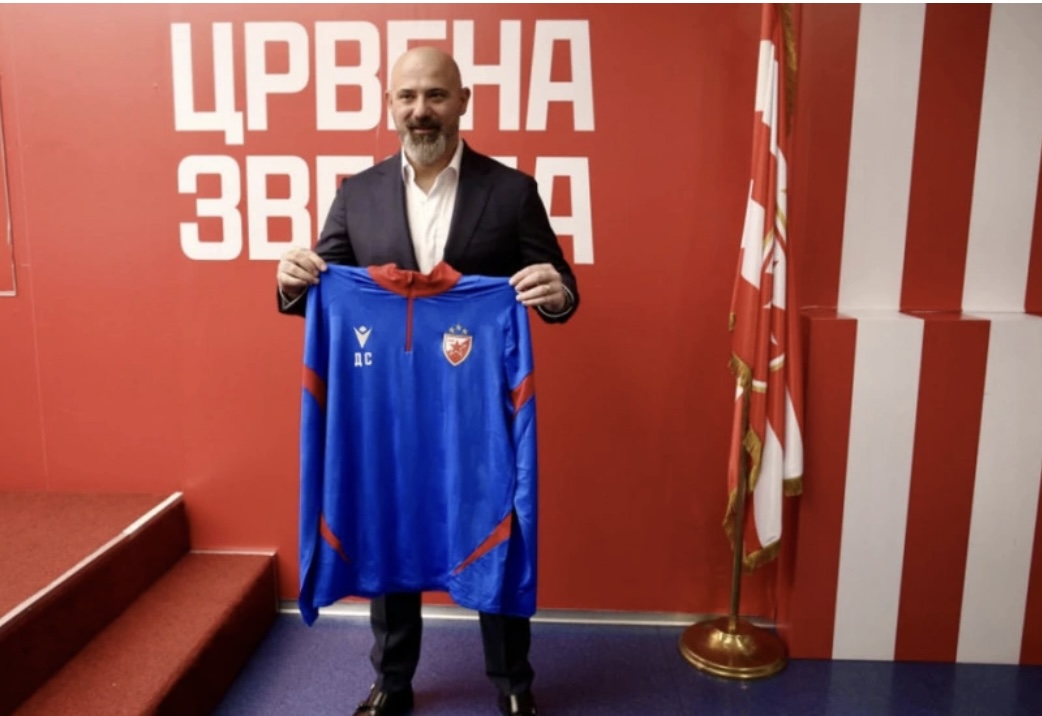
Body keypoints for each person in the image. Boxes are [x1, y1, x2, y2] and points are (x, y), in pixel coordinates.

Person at [275, 46, 579, 716]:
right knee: (390, 521)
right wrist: (291, 280)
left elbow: (562, 287)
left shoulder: (511, 192)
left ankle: (513, 685)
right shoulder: (356, 194)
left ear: (463, 101)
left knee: (495, 525)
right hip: (386, 407)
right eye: (408, 97)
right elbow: (322, 287)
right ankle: (393, 680)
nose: (421, 111)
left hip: (475, 408)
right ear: (390, 105)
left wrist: (557, 294)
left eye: (436, 96)